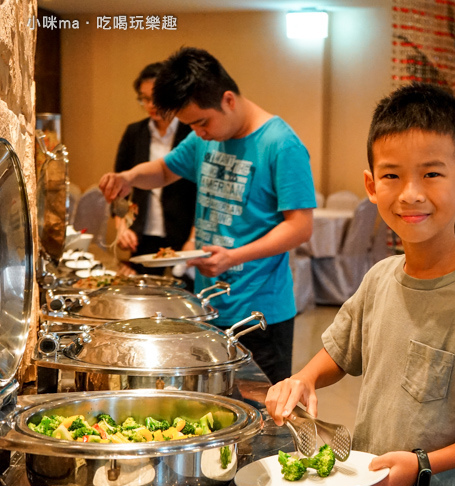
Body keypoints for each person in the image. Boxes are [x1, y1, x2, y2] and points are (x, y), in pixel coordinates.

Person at [265, 83, 455, 486]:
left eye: (431, 174)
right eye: (392, 176)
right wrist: (304, 378)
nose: (410, 194)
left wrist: (422, 465)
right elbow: (341, 350)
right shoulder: (380, 278)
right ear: (372, 186)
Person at [99, 47, 316, 384]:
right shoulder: (205, 140)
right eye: (190, 125)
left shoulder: (281, 144)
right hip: (208, 306)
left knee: (261, 417)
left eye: (201, 122)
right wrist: (128, 178)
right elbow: (163, 170)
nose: (197, 132)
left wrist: (234, 257)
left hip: (259, 315)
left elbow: (300, 227)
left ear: (228, 100)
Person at [112, 62, 195, 284]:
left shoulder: (192, 133)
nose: (150, 105)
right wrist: (121, 228)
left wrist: (194, 238)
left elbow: (201, 190)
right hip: (143, 235)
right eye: (144, 98)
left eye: (156, 98)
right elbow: (119, 188)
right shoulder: (134, 133)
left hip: (183, 235)